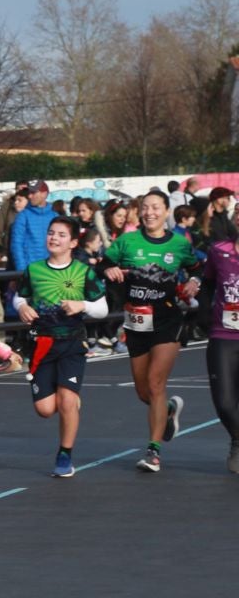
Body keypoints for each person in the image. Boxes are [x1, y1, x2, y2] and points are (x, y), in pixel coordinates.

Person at [102, 190, 202, 473]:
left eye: (155, 208)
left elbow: (198, 268)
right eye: (145, 207)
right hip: (135, 323)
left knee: (157, 383)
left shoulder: (180, 244)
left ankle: (153, 451)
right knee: (143, 391)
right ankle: (169, 409)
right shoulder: (126, 241)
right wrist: (108, 270)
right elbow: (104, 263)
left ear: (167, 211)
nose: (149, 213)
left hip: (167, 320)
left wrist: (193, 281)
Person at [14, 215, 109, 477]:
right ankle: (69, 403)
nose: (54, 238)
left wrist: (83, 305)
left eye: (61, 234)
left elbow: (103, 308)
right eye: (51, 233)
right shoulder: (34, 270)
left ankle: (65, 454)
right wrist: (22, 307)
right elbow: (18, 297)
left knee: (67, 400)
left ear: (73, 242)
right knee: (45, 410)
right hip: (42, 345)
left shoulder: (83, 271)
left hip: (72, 343)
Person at [203, 234, 239, 473]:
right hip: (223, 334)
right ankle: (237, 439)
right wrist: (203, 315)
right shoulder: (218, 249)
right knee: (225, 402)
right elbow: (207, 284)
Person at [10, 180, 55, 271]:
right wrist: (22, 270)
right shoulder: (23, 216)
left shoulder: (55, 216)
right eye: (29, 193)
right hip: (31, 271)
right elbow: (16, 245)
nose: (30, 196)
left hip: (53, 271)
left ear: (44, 194)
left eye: (34, 193)